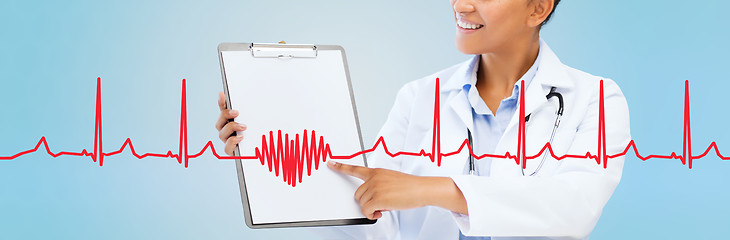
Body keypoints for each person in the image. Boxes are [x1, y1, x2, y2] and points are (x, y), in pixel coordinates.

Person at [216, 0, 631, 239]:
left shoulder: (595, 99)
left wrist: (436, 190)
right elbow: (373, 219)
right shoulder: (419, 97)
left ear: (537, 7)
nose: (461, 4)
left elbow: (572, 208)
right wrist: (270, 150)